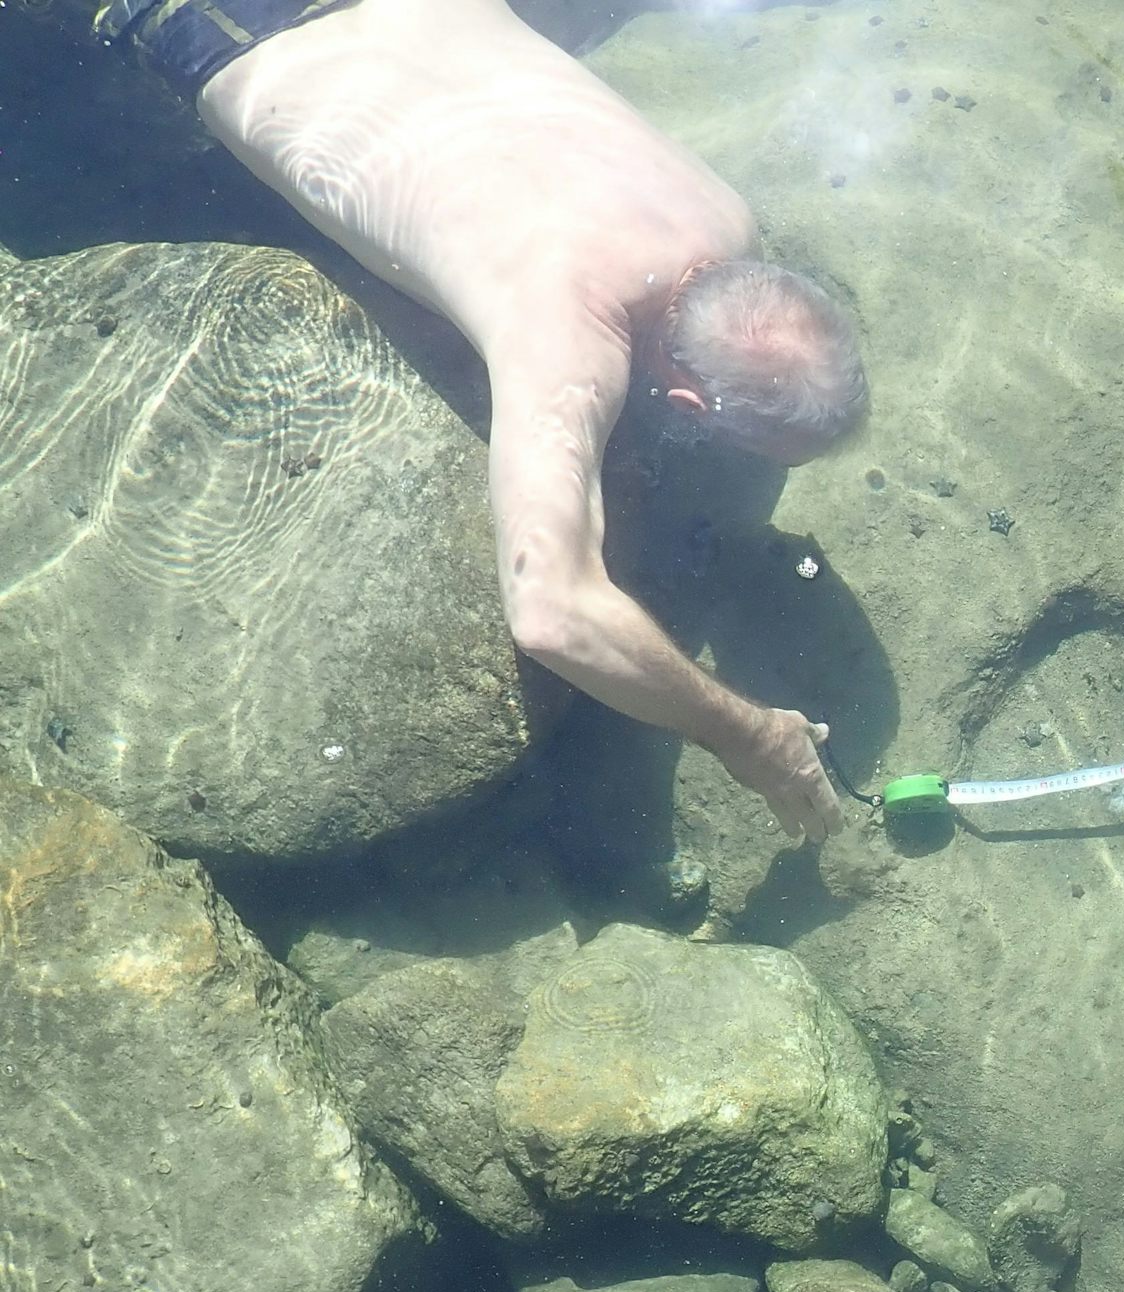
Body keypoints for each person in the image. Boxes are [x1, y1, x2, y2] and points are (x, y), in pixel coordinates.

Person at [43, 0, 867, 841]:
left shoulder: (724, 216)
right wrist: (748, 735)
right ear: (688, 402)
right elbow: (552, 609)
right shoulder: (567, 334)